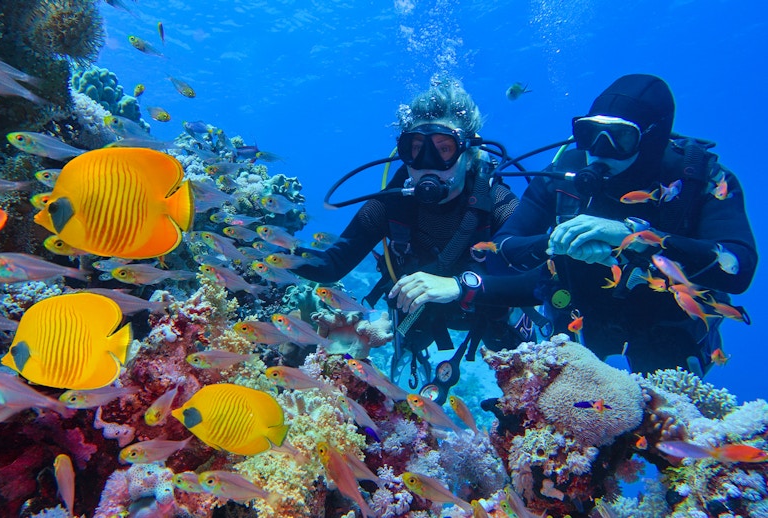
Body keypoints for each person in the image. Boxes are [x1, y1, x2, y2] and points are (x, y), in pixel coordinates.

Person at [490, 73, 757, 376]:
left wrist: (637, 237)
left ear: (652, 138)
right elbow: (497, 252)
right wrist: (557, 242)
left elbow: (739, 267)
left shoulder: (699, 180)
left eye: (621, 137)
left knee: (663, 399)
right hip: (579, 319)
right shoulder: (564, 175)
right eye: (589, 133)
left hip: (665, 326)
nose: (599, 149)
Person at [294, 78, 535, 402]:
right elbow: (332, 264)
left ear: (468, 154)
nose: (427, 165)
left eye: (444, 149)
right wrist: (270, 250)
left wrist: (462, 286)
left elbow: (540, 278)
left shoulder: (497, 202)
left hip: (488, 309)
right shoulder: (391, 203)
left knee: (524, 370)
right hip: (420, 315)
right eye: (416, 150)